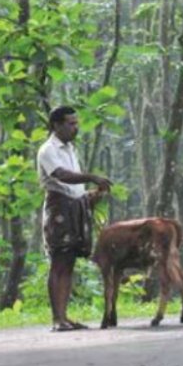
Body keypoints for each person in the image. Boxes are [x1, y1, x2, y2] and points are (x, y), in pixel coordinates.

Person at [37, 105, 112, 331]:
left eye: (76, 123)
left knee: (68, 263)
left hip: (74, 207)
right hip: (59, 208)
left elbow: (74, 187)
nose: (75, 128)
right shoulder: (48, 150)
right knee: (58, 261)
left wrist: (90, 195)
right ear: (56, 125)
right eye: (70, 123)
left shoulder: (70, 149)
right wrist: (91, 177)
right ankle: (56, 318)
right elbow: (61, 176)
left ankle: (64, 316)